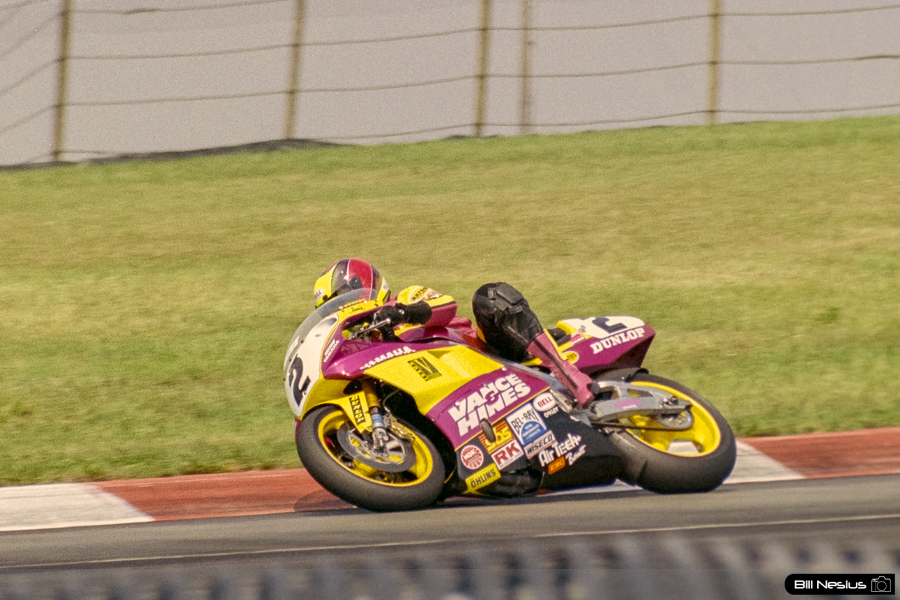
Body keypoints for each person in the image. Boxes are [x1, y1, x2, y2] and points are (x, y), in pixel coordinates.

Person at [312, 258, 597, 405]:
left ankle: (570, 377)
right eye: (334, 306)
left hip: (493, 358)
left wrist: (402, 313)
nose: (344, 307)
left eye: (347, 296)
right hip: (459, 397)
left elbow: (445, 305)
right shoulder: (364, 350)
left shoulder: (406, 297)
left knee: (491, 295)